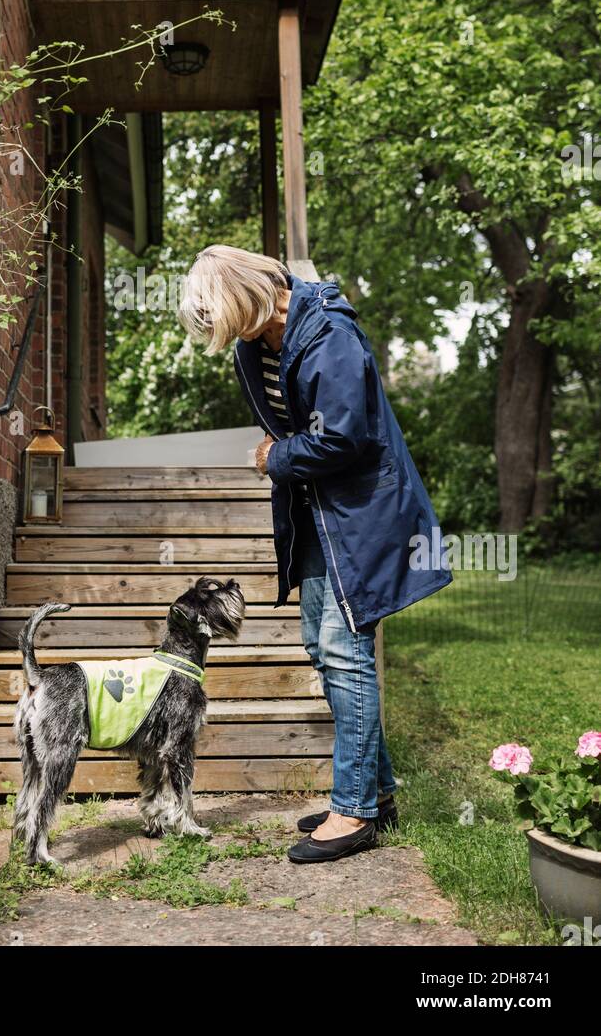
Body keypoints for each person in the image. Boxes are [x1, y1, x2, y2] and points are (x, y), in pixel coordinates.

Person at [177, 245, 451, 863]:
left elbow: (345, 436)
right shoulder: (264, 340)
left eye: (220, 318)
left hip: (361, 516)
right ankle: (374, 795)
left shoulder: (328, 333)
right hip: (321, 518)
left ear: (245, 297)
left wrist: (275, 458)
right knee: (324, 648)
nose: (224, 337)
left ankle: (353, 812)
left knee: (344, 651)